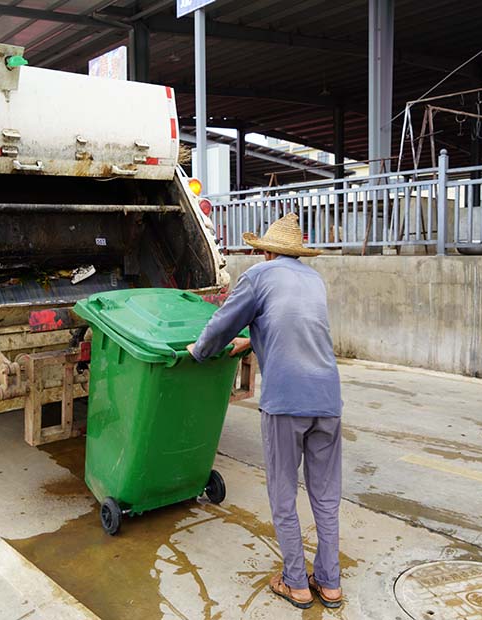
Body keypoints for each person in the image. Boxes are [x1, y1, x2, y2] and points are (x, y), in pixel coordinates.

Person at [186, 213, 343, 610]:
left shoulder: (259, 276)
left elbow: (224, 322)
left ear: (267, 251)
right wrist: (252, 343)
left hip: (286, 402)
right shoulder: (314, 281)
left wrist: (200, 351)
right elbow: (293, 328)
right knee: (326, 496)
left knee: (284, 493)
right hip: (327, 400)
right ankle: (330, 582)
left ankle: (296, 583)